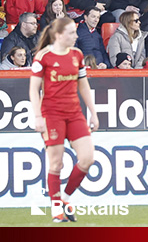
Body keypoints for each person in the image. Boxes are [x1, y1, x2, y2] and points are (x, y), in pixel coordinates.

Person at [29, 17, 99, 222]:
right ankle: (56, 208)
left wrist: (93, 112)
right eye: (71, 33)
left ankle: (65, 198)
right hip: (52, 114)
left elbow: (83, 85)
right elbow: (34, 89)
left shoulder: (77, 55)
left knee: (87, 158)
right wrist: (37, 116)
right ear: (59, 35)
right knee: (56, 164)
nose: (76, 36)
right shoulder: (44, 56)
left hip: (74, 113)